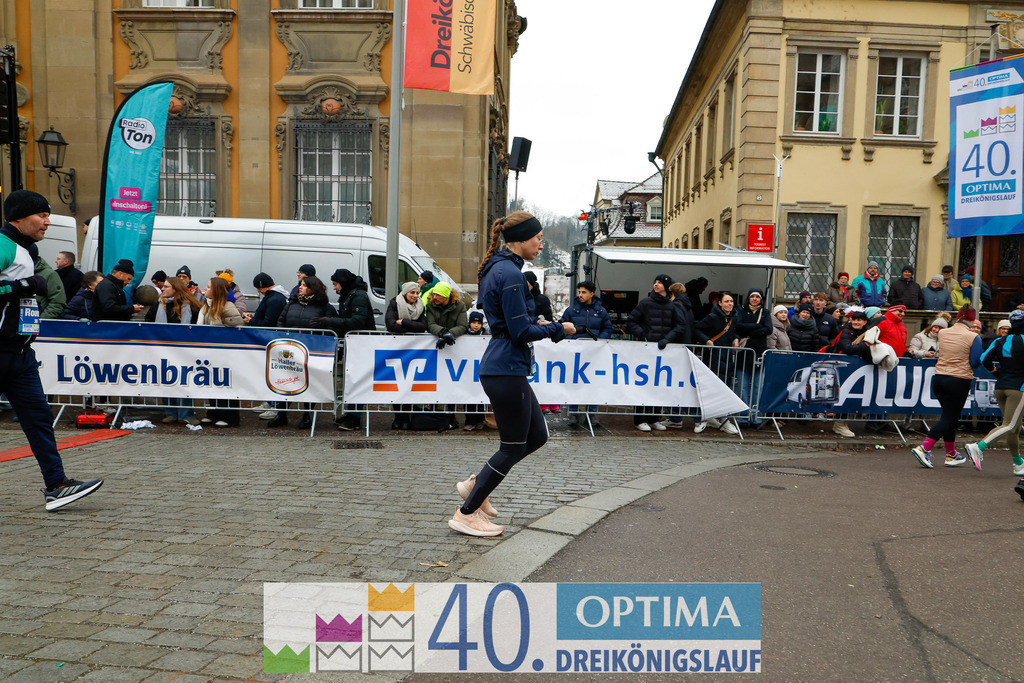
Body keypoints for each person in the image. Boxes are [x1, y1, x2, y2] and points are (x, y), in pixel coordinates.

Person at [449, 211, 573, 537]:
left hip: (505, 367)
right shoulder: (511, 274)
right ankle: (467, 513)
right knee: (513, 446)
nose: (541, 245)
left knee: (536, 436)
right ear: (520, 240)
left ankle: (478, 484)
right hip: (506, 368)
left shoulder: (500, 269)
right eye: (538, 239)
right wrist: (559, 327)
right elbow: (519, 332)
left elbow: (514, 325)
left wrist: (541, 326)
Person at [0, 189, 103, 510]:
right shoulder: (3, 245)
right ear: (18, 217)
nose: (47, 221)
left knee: (39, 418)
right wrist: (23, 287)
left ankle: (57, 485)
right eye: (41, 215)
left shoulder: (27, 251)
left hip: (21, 354)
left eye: (47, 215)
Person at [911, 306, 982, 468]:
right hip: (959, 379)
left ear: (957, 317)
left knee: (949, 416)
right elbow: (975, 362)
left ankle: (951, 454)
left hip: (939, 377)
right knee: (949, 417)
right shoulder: (973, 336)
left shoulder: (943, 332)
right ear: (972, 320)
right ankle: (924, 448)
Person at [274, 275, 338, 429]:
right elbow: (281, 321)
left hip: (311, 351)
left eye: (303, 285)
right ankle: (281, 414)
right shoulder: (292, 303)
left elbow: (332, 329)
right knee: (285, 381)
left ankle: (307, 415)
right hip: (290, 350)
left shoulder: (325, 307)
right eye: (300, 285)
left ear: (313, 288)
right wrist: (282, 336)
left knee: (309, 382)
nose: (300, 287)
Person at [964, 309, 1024, 475]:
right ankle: (978, 446)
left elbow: (984, 359)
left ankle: (1018, 464)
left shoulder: (1000, 340)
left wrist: (996, 372)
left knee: (1014, 428)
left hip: (1001, 386)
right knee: (1010, 425)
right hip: (1019, 388)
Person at [626, 274, 685, 432]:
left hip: (664, 350)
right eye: (655, 282)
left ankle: (654, 418)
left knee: (660, 385)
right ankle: (640, 419)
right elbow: (631, 321)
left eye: (660, 282)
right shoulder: (645, 303)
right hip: (646, 349)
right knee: (644, 384)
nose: (656, 285)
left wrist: (667, 339)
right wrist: (643, 335)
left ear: (667, 286)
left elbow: (680, 326)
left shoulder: (672, 306)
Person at [145, 277, 202, 425]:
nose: (162, 289)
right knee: (167, 379)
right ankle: (170, 412)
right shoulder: (158, 304)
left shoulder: (192, 306)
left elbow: (197, 326)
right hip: (163, 349)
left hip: (185, 350)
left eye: (166, 287)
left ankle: (186, 414)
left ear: (176, 289)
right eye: (163, 286)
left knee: (184, 381)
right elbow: (148, 321)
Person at [562, 281, 613, 428]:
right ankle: (573, 412)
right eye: (579, 292)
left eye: (584, 292)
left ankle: (591, 413)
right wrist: (573, 341)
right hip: (576, 353)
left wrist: (599, 341)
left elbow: (607, 328)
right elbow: (562, 327)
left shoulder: (601, 311)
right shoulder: (571, 310)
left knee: (594, 382)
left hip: (594, 353)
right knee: (575, 381)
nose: (580, 295)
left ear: (592, 293)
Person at [693, 291, 742, 435]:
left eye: (731, 301)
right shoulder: (712, 317)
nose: (730, 304)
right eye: (726, 301)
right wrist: (706, 340)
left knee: (725, 389)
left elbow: (735, 331)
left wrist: (736, 338)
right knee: (708, 388)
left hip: (727, 358)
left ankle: (724, 420)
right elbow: (698, 329)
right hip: (712, 358)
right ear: (719, 303)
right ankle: (703, 418)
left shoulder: (734, 318)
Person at [199, 277, 244, 428]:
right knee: (211, 384)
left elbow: (237, 326)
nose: (205, 289)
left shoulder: (228, 306)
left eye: (208, 286)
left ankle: (230, 417)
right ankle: (213, 413)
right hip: (209, 353)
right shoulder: (206, 306)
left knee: (226, 384)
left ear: (216, 290)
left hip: (225, 354)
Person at [384, 281, 427, 431]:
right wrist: (410, 328)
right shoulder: (395, 304)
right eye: (412, 293)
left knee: (410, 383)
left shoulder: (421, 306)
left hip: (414, 350)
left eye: (417, 293)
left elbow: (423, 326)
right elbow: (390, 325)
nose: (415, 296)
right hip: (397, 348)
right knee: (398, 383)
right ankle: (398, 417)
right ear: (405, 293)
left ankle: (407, 418)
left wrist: (404, 322)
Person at [832, 310, 873, 438]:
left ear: (865, 322)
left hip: (856, 369)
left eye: (859, 320)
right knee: (843, 395)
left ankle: (841, 423)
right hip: (843, 368)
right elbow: (847, 349)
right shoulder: (846, 331)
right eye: (854, 319)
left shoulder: (868, 333)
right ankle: (840, 423)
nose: (855, 322)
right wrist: (865, 345)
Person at [463, 310, 489, 431]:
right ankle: (469, 421)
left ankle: (480, 420)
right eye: (473, 322)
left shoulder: (486, 335)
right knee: (468, 397)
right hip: (466, 370)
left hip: (480, 369)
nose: (476, 325)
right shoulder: (464, 335)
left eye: (478, 323)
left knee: (480, 396)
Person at [34, 250, 67, 319]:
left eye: (58, 259)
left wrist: (40, 320)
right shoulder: (19, 270)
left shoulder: (50, 274)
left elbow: (57, 302)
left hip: (38, 323)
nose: (55, 261)